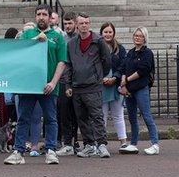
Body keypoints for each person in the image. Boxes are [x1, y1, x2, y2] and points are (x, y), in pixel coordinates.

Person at [4, 5, 68, 165]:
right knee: (23, 118)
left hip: (48, 85)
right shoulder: (27, 34)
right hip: (29, 85)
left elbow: (62, 62)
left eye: (44, 14)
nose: (41, 17)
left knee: (51, 119)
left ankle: (51, 151)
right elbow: (18, 53)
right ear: (35, 17)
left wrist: (54, 82)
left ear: (50, 17)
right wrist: (35, 40)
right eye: (38, 14)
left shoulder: (58, 37)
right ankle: (18, 151)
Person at [63, 13, 111, 158]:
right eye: (81, 23)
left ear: (89, 24)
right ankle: (89, 145)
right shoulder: (71, 44)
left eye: (87, 23)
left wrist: (98, 76)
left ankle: (102, 145)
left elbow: (107, 61)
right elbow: (68, 65)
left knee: (97, 116)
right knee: (81, 118)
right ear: (77, 25)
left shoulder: (98, 41)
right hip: (77, 87)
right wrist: (68, 85)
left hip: (93, 86)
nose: (84, 25)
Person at [119, 27, 159, 155]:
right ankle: (133, 143)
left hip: (141, 88)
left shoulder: (147, 53)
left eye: (140, 36)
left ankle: (155, 144)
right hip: (130, 90)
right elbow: (124, 67)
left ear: (144, 38)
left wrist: (128, 80)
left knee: (146, 116)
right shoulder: (130, 52)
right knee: (131, 117)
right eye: (136, 35)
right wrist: (124, 82)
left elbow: (143, 70)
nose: (137, 38)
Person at [100, 22, 128, 152]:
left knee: (118, 114)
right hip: (101, 85)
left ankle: (123, 141)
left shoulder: (120, 49)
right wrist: (102, 78)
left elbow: (123, 65)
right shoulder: (96, 47)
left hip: (115, 85)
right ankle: (101, 142)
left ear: (114, 33)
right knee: (102, 115)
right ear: (101, 33)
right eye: (105, 32)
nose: (108, 34)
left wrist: (115, 78)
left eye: (110, 32)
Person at [56, 11, 80, 156]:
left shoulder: (79, 39)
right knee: (63, 113)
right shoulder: (61, 39)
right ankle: (66, 142)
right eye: (65, 24)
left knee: (77, 114)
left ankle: (75, 140)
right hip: (63, 81)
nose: (68, 26)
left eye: (70, 23)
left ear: (76, 23)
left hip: (78, 82)